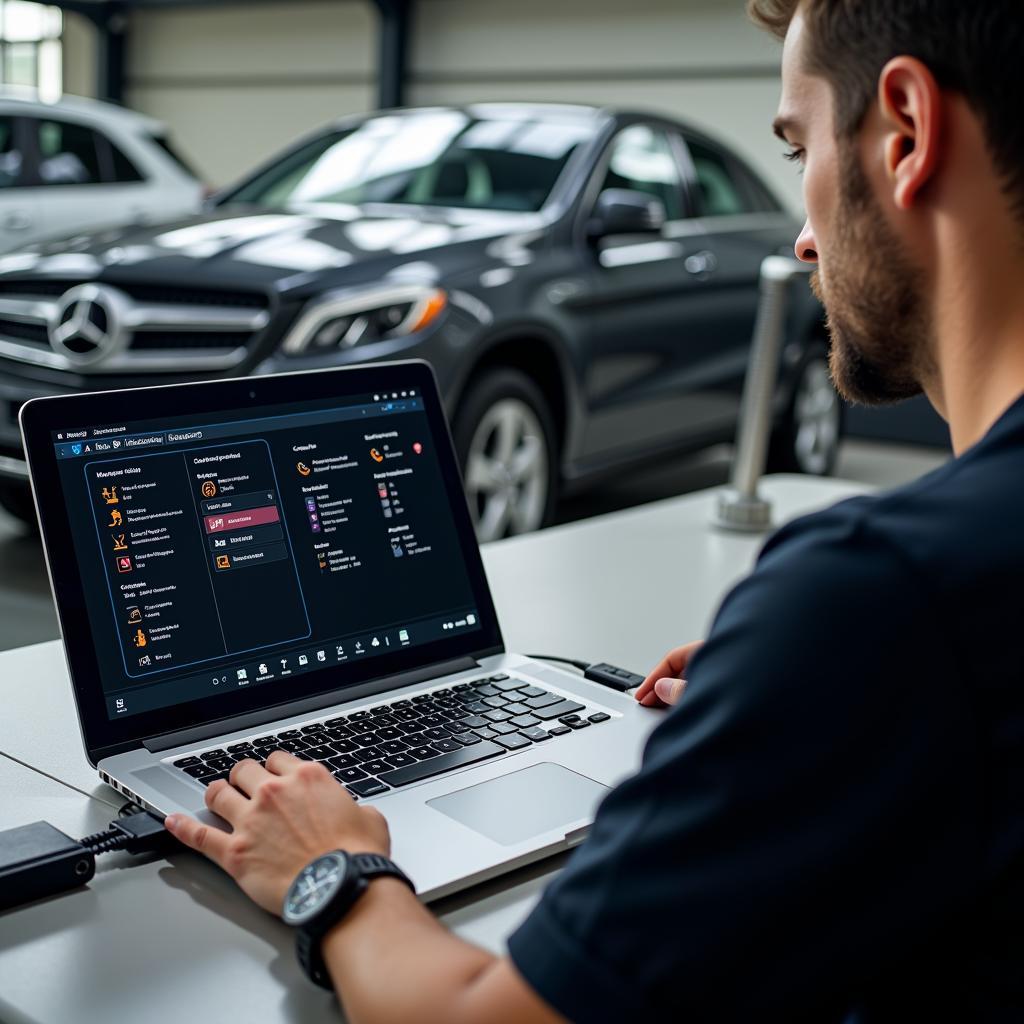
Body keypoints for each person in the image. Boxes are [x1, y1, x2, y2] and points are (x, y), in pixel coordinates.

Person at [165, 1, 1024, 1019]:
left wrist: (335, 867)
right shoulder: (913, 611)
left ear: (906, 133)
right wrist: (799, 697)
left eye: (797, 147)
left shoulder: (882, 601)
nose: (800, 238)